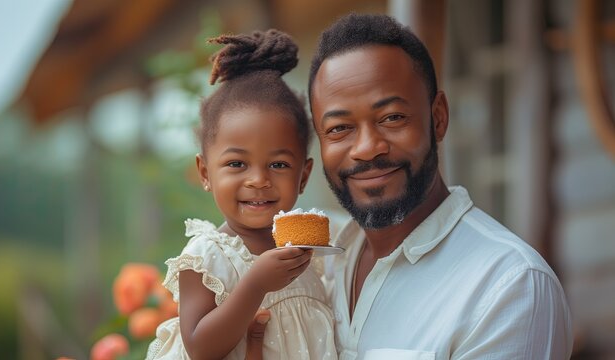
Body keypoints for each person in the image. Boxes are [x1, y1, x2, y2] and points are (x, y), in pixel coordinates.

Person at [250, 13, 573, 359]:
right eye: (340, 128)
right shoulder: (318, 266)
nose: (367, 148)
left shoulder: (507, 286)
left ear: (438, 119)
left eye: (392, 118)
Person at [145, 29, 338, 360]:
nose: (258, 180)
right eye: (237, 163)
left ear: (303, 175)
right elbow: (199, 346)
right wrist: (255, 284)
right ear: (205, 173)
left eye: (278, 164)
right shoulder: (206, 257)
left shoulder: (304, 257)